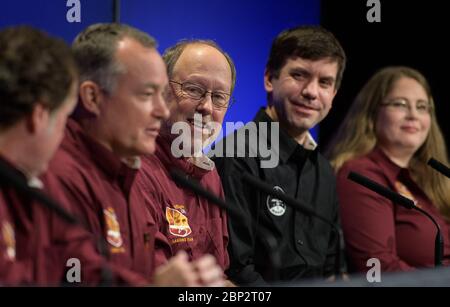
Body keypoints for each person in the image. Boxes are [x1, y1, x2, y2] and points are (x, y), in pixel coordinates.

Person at [46, 24, 224, 286]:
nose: (162, 111)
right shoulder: (56, 175)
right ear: (92, 97)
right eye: (147, 94)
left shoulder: (124, 172)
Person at [212, 25, 347, 285]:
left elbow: (333, 266)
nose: (311, 91)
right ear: (269, 78)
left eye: (325, 82)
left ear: (334, 95)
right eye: (299, 75)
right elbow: (237, 270)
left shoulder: (324, 170)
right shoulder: (236, 156)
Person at [0, 26, 132, 286]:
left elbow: (83, 265)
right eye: (63, 121)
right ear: (40, 117)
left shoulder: (35, 188)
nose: (62, 138)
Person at [327, 66, 450, 272]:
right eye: (400, 104)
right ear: (372, 112)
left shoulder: (432, 175)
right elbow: (377, 266)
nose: (413, 115)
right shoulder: (360, 174)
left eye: (422, 107)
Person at [134, 40, 235, 282]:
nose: (207, 107)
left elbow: (219, 275)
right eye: (193, 89)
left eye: (219, 97)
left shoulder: (210, 176)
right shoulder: (137, 170)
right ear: (161, 90)